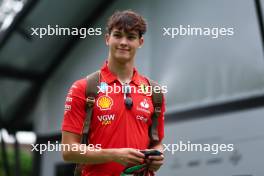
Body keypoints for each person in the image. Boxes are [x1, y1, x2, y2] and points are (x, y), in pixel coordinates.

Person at [61, 10, 166, 176]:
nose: (123, 42)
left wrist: (158, 156)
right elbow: (68, 151)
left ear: (140, 42)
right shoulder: (83, 88)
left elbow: (157, 143)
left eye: (131, 37)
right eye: (117, 35)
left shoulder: (155, 92)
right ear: (107, 39)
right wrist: (113, 155)